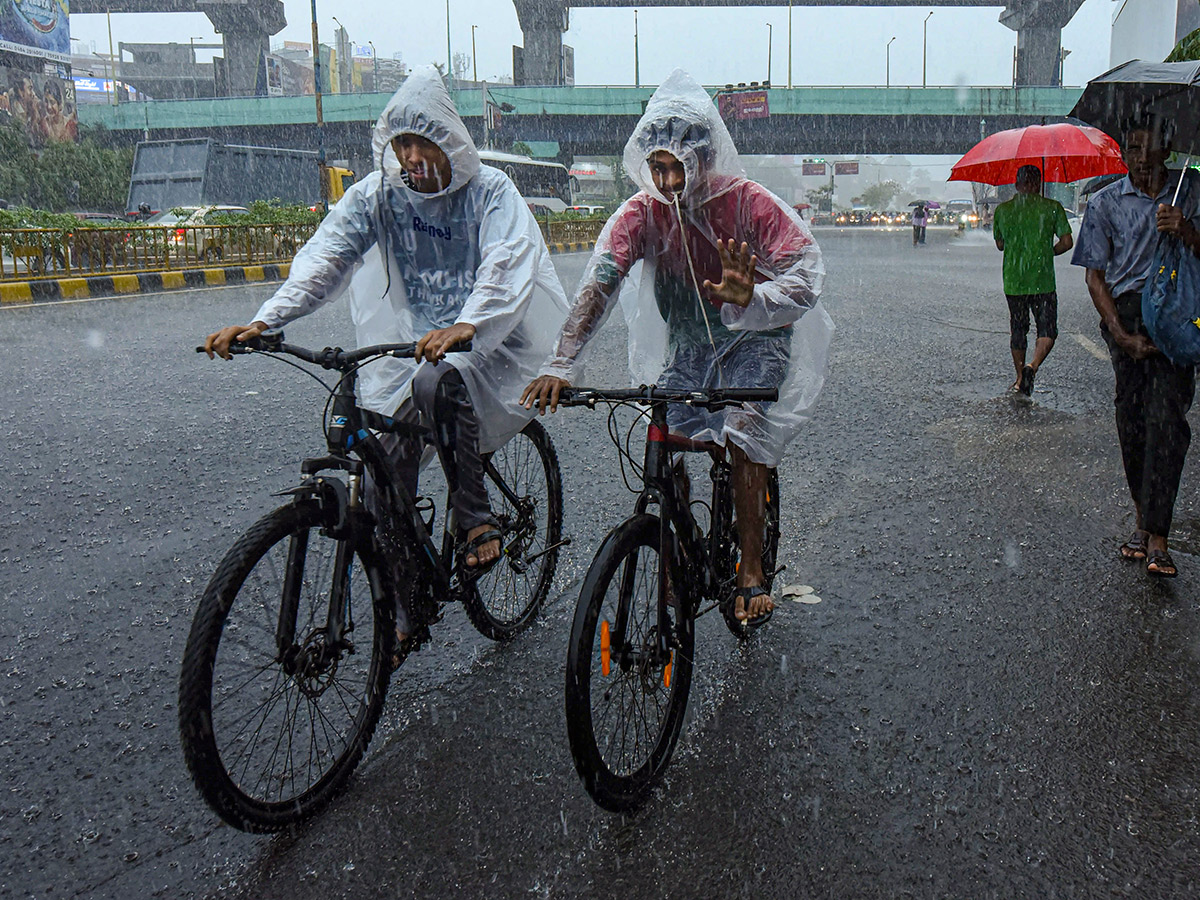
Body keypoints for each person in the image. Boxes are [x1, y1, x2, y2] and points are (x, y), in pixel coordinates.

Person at [204, 66, 569, 638]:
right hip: (420, 344)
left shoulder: (491, 192)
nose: (413, 156)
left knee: (435, 384)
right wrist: (264, 320)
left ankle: (475, 521)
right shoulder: (379, 196)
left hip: (496, 339)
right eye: (403, 144)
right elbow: (327, 258)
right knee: (379, 469)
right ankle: (403, 612)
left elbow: (505, 266)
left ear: (450, 142)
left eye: (424, 142)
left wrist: (469, 323)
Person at [521, 69, 833, 625]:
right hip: (690, 346)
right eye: (657, 167)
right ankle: (671, 548)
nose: (666, 180)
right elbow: (601, 280)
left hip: (753, 340)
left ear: (703, 158)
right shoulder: (642, 212)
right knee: (662, 430)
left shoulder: (748, 204)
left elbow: (806, 273)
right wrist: (561, 364)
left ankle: (752, 569)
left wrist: (753, 296)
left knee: (742, 430)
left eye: (675, 167)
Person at [1071, 118, 1200, 577]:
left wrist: (1186, 230)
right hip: (1126, 317)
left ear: (1167, 149)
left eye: (1147, 146)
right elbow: (1094, 275)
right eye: (1132, 146)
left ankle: (1157, 536)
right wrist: (1120, 334)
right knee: (1132, 424)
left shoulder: (1191, 192)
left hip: (1179, 317)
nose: (1139, 156)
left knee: (1167, 423)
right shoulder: (1105, 202)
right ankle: (1144, 521)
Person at [992, 164, 1073, 396]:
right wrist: (1049, 252)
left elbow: (1000, 245)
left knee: (1018, 330)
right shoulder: (1053, 208)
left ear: (1016, 185)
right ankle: (1032, 366)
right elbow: (1067, 242)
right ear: (1039, 185)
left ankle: (1019, 378)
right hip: (1043, 281)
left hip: (1014, 281)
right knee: (1047, 329)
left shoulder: (1003, 211)